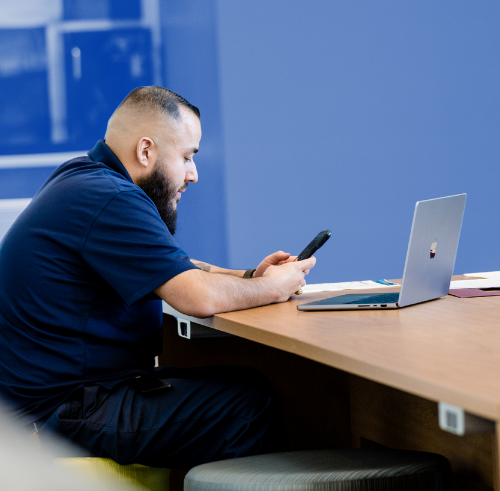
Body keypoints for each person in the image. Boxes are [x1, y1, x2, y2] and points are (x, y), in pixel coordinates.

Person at [0, 86, 315, 468]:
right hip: (55, 415)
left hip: (62, 401)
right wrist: (273, 288)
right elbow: (197, 297)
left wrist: (250, 276)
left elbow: (172, 265)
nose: (193, 175)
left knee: (245, 382)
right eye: (187, 157)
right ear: (146, 151)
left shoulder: (84, 179)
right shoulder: (111, 197)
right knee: (247, 406)